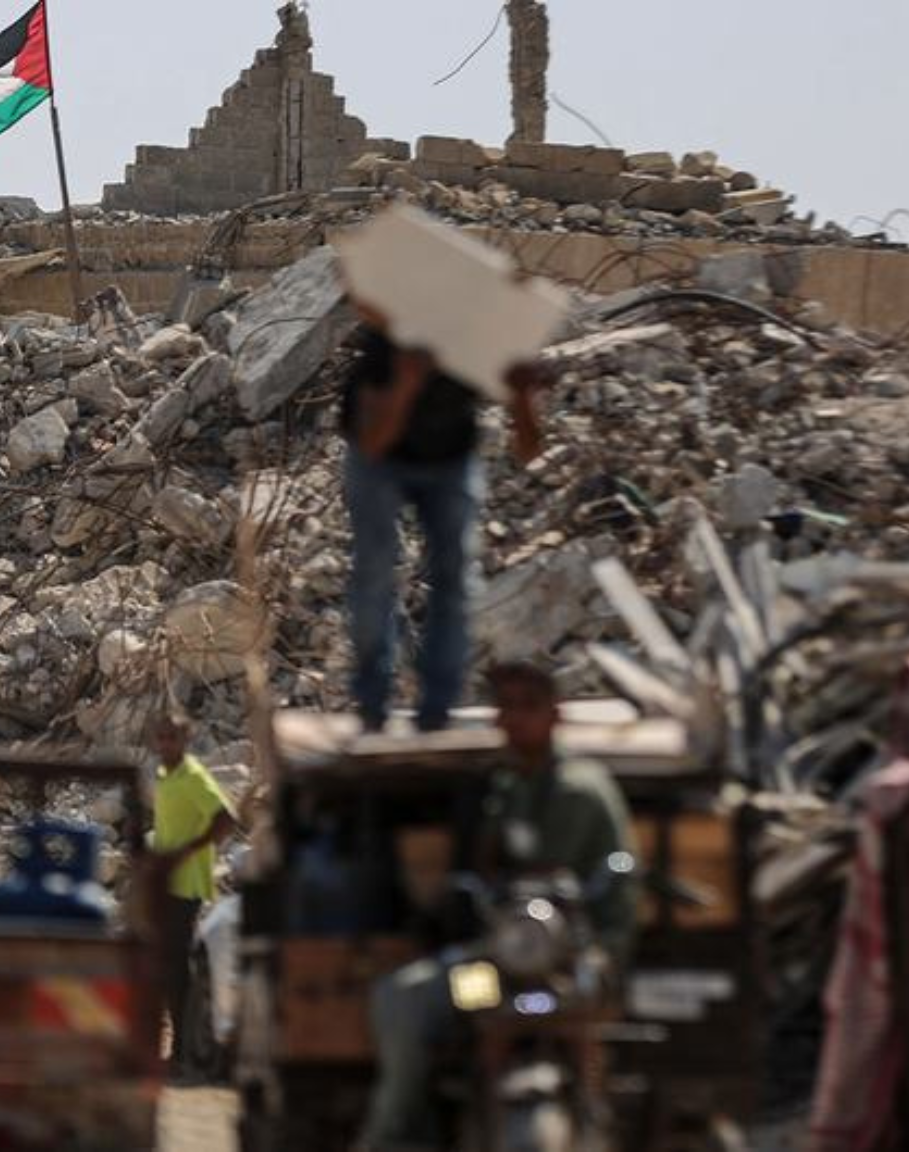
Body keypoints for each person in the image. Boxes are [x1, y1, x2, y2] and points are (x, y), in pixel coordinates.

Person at [359, 663, 637, 1150]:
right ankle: (398, 1130)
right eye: (505, 706)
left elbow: (595, 871)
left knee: (596, 1022)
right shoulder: (502, 790)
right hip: (500, 966)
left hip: (575, 964)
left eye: (528, 706)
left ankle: (597, 1118)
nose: (514, 718)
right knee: (405, 997)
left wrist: (601, 944)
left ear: (554, 714)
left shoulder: (581, 789)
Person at [342, 304, 553, 733]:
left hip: (450, 460)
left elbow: (530, 451)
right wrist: (406, 384)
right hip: (378, 460)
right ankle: (372, 700)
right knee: (375, 570)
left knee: (454, 576)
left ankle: (438, 705)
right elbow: (373, 443)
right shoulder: (388, 348)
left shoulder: (476, 349)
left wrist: (521, 396)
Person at [144, 713, 238, 1077]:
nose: (166, 743)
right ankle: (175, 1047)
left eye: (173, 737)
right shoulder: (165, 775)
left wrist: (188, 851)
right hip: (167, 885)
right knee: (167, 965)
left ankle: (182, 1052)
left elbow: (226, 818)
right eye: (162, 737)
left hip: (187, 886)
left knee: (176, 968)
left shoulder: (193, 776)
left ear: (186, 739)